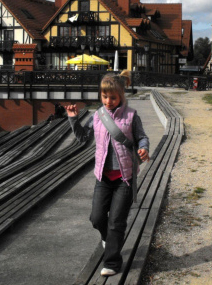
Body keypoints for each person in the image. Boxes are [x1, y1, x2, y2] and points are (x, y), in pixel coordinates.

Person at [65, 70, 149, 277]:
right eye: (104, 97)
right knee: (96, 218)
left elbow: (141, 137)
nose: (108, 101)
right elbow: (83, 138)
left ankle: (112, 262)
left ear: (121, 96)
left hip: (124, 179)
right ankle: (109, 239)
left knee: (116, 222)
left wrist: (144, 148)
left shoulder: (131, 116)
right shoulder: (97, 116)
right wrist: (74, 119)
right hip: (103, 177)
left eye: (112, 97)